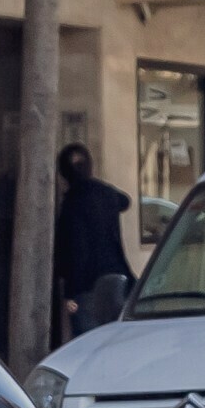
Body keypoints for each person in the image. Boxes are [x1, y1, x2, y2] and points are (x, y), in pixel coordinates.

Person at [54, 141, 135, 336]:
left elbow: (75, 250)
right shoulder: (106, 194)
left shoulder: (72, 204)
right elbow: (125, 201)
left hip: (88, 286)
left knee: (87, 345)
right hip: (118, 278)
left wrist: (70, 294)